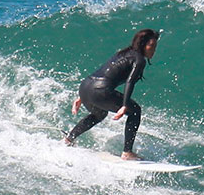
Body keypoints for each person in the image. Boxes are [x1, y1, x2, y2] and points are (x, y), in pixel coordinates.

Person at [64, 28, 160, 160]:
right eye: (151, 46)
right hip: (99, 90)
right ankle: (127, 152)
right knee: (135, 110)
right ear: (143, 44)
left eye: (155, 46)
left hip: (86, 86)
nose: (153, 50)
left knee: (100, 113)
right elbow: (130, 82)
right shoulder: (139, 60)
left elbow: (103, 71)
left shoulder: (123, 53)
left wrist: (82, 96)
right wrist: (125, 105)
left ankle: (69, 138)